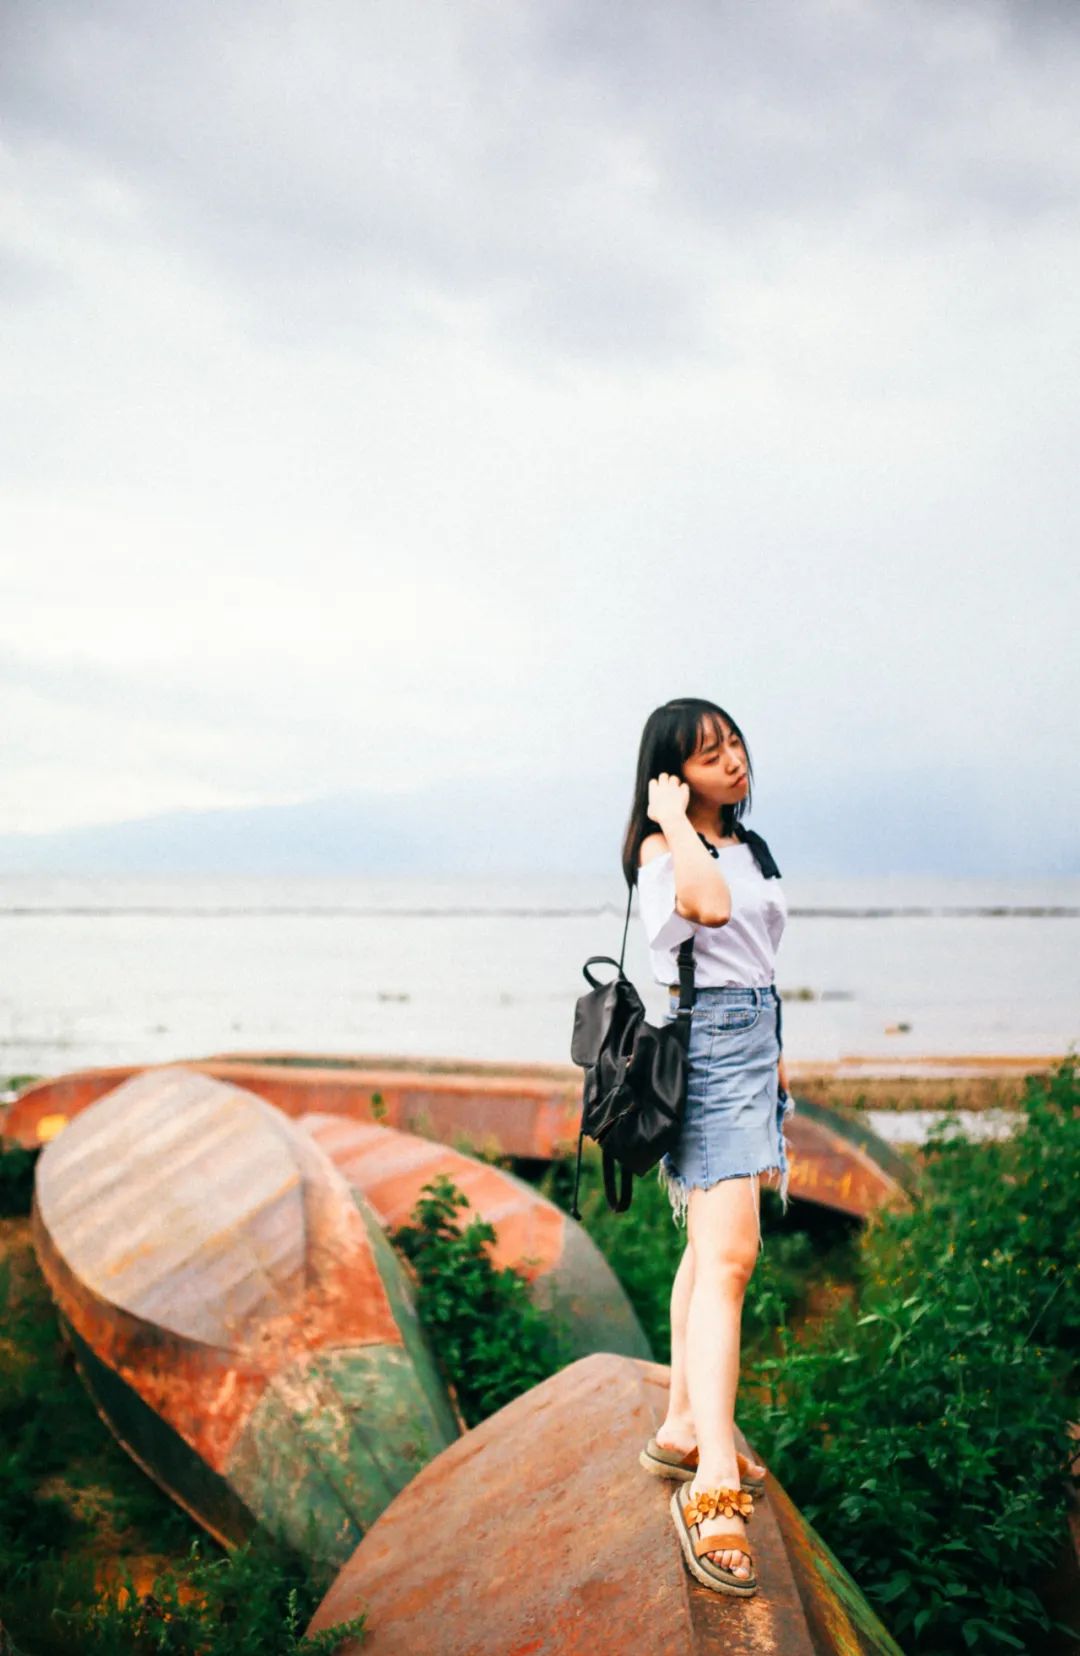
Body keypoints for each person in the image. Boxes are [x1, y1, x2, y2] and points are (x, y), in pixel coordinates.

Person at [622, 696, 793, 1599]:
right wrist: (669, 819)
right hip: (712, 1050)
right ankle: (712, 1484)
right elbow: (712, 908)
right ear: (671, 773)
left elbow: (761, 958)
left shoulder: (749, 845)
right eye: (706, 754)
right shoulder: (665, 853)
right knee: (730, 1260)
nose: (732, 760)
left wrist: (777, 1069)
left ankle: (685, 1424)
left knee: (707, 1252)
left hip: (756, 1047)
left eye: (732, 743)